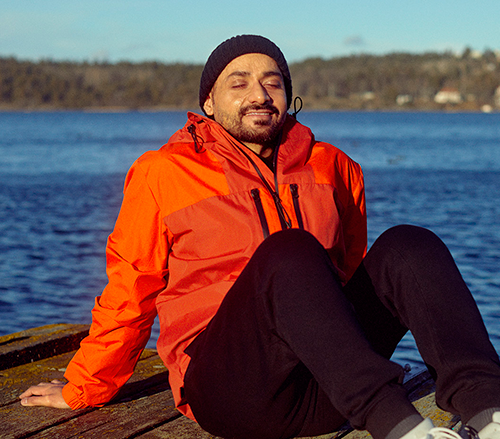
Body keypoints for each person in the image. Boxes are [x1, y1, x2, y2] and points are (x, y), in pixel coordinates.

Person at [20, 35, 500, 439]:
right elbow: (131, 287)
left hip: (329, 386)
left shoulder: (334, 166)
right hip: (234, 390)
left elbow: (351, 272)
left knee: (409, 245)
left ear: (288, 96)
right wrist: (86, 387)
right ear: (208, 102)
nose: (259, 93)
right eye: (239, 81)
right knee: (288, 252)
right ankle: (403, 430)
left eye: (273, 81)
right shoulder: (164, 172)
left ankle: (489, 411)